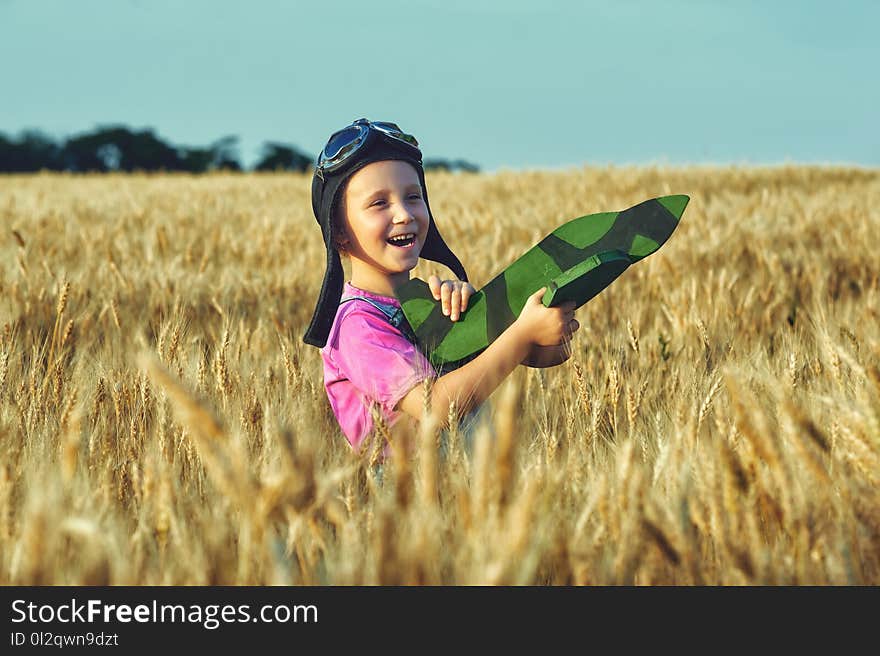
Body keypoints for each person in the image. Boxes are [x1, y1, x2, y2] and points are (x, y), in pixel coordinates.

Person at [304, 118, 579, 455]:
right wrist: (520, 335)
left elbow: (546, 355)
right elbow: (436, 408)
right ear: (340, 233)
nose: (404, 214)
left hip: (469, 482)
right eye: (379, 203)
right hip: (407, 492)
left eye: (413, 197)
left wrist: (536, 328)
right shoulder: (358, 326)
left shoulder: (431, 302)